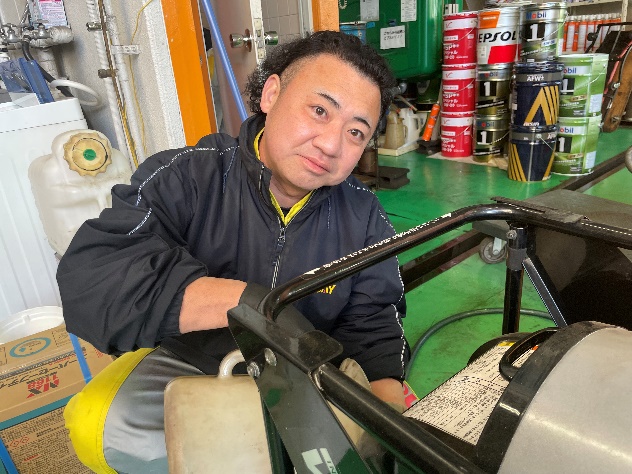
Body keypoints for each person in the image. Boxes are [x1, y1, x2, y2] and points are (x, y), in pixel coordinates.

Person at [58, 30, 410, 473]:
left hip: (309, 377)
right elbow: (94, 281)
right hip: (194, 364)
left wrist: (388, 430)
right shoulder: (186, 176)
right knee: (98, 425)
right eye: (320, 110)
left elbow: (375, 319)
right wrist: (245, 303)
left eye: (356, 132)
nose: (332, 144)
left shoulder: (363, 215)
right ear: (272, 93)